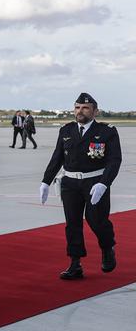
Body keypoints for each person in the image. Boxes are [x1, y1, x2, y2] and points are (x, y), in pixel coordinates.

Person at [40, 93, 121, 280]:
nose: (80, 111)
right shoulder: (66, 130)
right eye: (77, 107)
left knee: (96, 220)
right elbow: (57, 158)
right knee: (73, 223)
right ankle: (75, 264)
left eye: (85, 108)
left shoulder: (107, 131)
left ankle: (107, 247)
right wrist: (45, 181)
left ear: (95, 111)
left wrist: (104, 183)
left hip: (94, 183)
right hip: (70, 183)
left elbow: (114, 160)